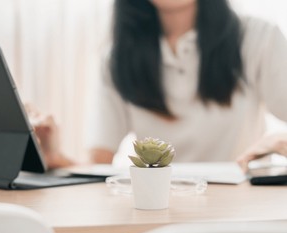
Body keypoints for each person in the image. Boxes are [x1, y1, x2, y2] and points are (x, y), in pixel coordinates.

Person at [33, 0, 287, 171]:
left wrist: (279, 141)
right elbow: (97, 166)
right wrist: (54, 158)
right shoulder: (117, 59)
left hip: (243, 211)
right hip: (158, 213)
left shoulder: (257, 37)